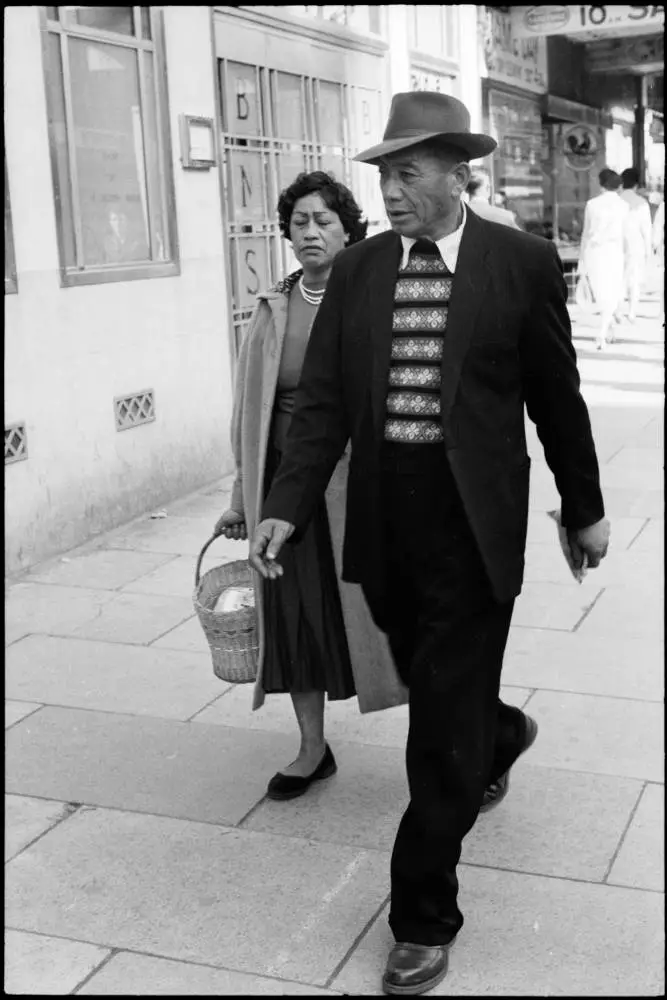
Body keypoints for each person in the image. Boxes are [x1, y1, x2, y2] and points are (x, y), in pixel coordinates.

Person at [249, 92, 609, 995]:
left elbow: (555, 399)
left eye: (407, 173)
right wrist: (285, 503)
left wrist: (583, 505)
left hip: (474, 523)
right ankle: (503, 731)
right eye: (384, 175)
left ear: (458, 174)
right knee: (432, 683)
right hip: (383, 519)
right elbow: (325, 402)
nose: (394, 191)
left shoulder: (520, 265)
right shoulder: (365, 270)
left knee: (436, 731)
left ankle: (421, 916)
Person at [214, 171, 407, 801]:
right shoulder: (272, 309)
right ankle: (311, 748)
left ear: (349, 229)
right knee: (294, 618)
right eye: (299, 222)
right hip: (287, 491)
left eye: (324, 220)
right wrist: (244, 501)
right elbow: (248, 411)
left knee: (397, 619)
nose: (311, 232)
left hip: (362, 487)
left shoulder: (381, 297)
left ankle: (467, 738)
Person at [579, 167, 629, 351]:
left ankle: (605, 331)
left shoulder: (592, 204)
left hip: (594, 252)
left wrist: (581, 259)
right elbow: (625, 235)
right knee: (611, 290)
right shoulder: (624, 206)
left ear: (600, 184)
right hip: (614, 252)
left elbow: (585, 234)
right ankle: (605, 330)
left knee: (601, 292)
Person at [619, 167, 653, 323]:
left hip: (617, 245)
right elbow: (646, 231)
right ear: (637, 184)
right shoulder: (641, 203)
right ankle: (632, 312)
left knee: (618, 278)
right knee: (634, 280)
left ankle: (617, 310)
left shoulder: (616, 200)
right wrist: (649, 252)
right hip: (635, 246)